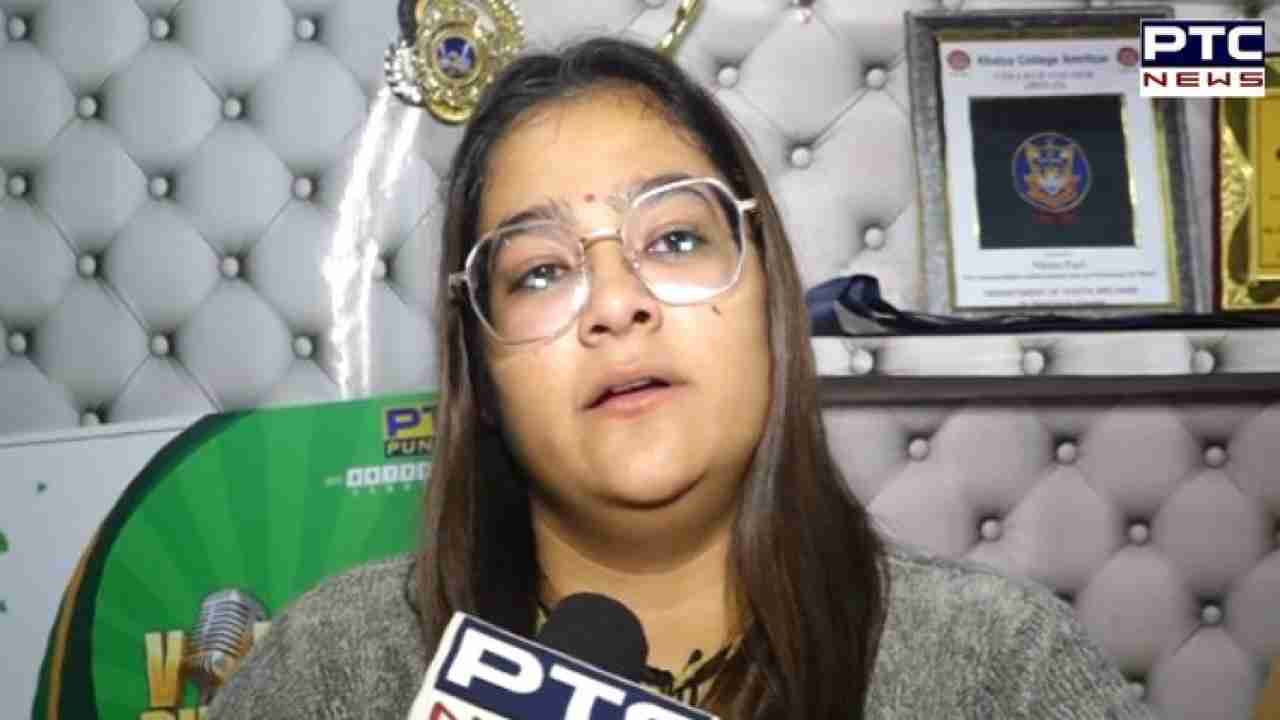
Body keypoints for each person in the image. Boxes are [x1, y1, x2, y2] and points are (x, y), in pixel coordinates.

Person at [210, 37, 1152, 719]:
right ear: (481, 374)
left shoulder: (997, 667)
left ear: (768, 300)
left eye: (673, 239)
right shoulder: (331, 668)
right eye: (540, 272)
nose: (617, 304)